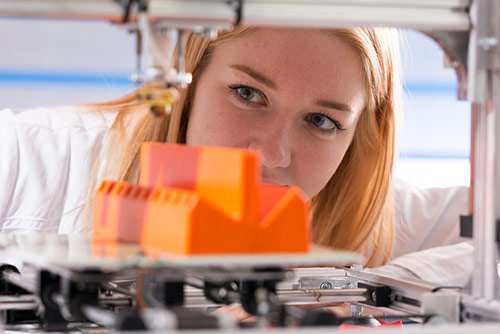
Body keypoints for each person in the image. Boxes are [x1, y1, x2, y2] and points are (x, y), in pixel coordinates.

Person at [0, 26, 470, 284]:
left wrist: (378, 287)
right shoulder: (24, 157)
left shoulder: (376, 218)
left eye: (322, 121)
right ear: (188, 79)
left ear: (360, 135)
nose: (271, 155)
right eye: (247, 93)